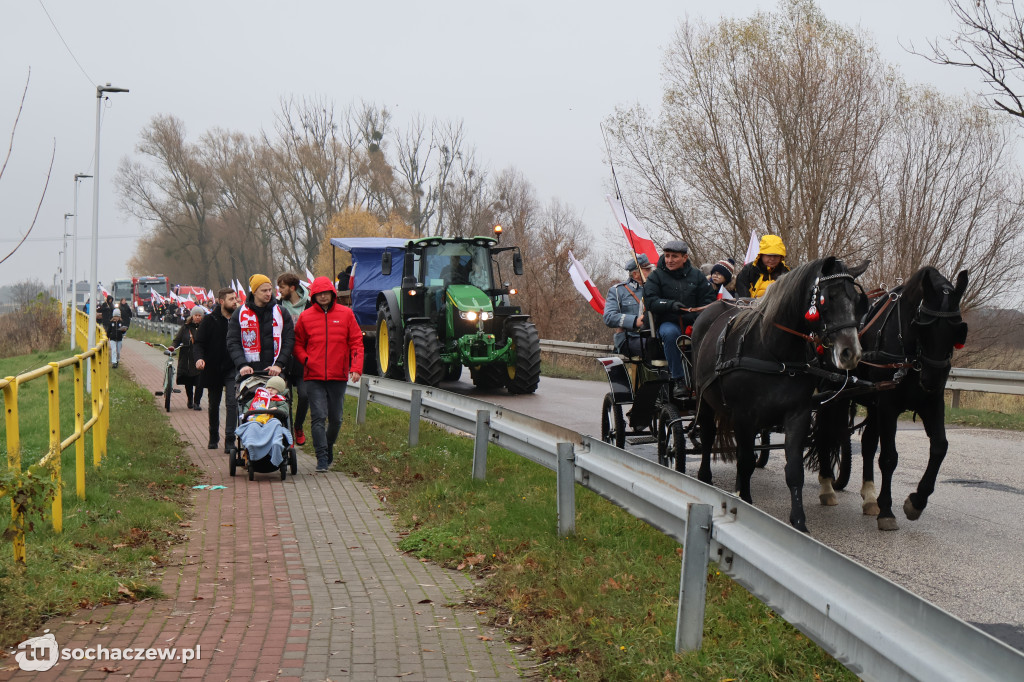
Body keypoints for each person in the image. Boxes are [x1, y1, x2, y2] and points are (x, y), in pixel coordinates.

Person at [293, 277, 363, 473]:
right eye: (319, 294)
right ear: (313, 296)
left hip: (337, 375)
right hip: (313, 376)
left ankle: (328, 444)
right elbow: (297, 344)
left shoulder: (346, 314)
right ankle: (321, 457)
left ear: (333, 294)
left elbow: (356, 342)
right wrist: (306, 360)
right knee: (318, 417)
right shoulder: (305, 317)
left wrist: (356, 367)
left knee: (336, 418)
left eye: (326, 293)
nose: (323, 296)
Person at [643, 240, 716, 399]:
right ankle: (678, 380)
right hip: (668, 322)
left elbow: (709, 299)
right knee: (670, 334)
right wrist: (670, 305)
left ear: (685, 257)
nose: (669, 260)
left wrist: (697, 316)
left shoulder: (697, 276)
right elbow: (650, 301)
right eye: (667, 256)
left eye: (674, 256)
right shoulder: (656, 276)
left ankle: (708, 377)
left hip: (695, 321)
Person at [194, 287, 240, 452]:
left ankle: (230, 439)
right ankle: (213, 435)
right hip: (213, 368)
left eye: (236, 299)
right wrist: (199, 358)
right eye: (231, 299)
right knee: (214, 404)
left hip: (232, 368)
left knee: (232, 403)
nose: (235, 302)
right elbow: (199, 343)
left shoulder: (238, 319)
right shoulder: (209, 320)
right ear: (221, 302)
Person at [226, 273, 295, 379]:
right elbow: (233, 342)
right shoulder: (239, 313)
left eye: (270, 290)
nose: (268, 294)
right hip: (248, 372)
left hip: (276, 371)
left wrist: (279, 364)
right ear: (254, 292)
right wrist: (242, 365)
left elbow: (288, 340)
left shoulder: (281, 312)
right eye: (264, 290)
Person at [277, 272, 312, 446]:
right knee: (285, 399)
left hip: (302, 358)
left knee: (304, 395)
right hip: (283, 359)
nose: (279, 291)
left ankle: (298, 426)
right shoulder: (277, 306)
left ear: (292, 288)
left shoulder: (309, 306)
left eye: (282, 287)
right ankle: (288, 432)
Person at [234, 375, 293, 468]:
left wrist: (277, 409)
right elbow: (247, 406)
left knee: (275, 423)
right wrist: (246, 413)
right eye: (268, 387)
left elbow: (285, 411)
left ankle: (276, 444)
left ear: (279, 391)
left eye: (273, 389)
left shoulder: (280, 400)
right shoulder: (258, 398)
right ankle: (251, 444)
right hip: (257, 421)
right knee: (252, 425)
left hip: (271, 422)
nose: (270, 390)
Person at [603, 253, 655, 357]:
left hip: (652, 336)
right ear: (635, 274)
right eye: (647, 270)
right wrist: (634, 321)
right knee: (653, 347)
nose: (651, 272)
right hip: (629, 338)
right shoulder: (617, 291)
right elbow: (609, 317)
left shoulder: (654, 289)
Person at [172, 306, 207, 410]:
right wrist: (172, 347)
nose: (197, 317)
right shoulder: (185, 327)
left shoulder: (205, 328)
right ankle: (190, 399)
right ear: (192, 316)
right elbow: (177, 339)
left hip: (200, 357)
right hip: (187, 358)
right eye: (196, 315)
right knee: (189, 381)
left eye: (199, 315)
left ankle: (197, 402)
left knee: (200, 381)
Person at [735, 235, 790, 299]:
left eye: (776, 256)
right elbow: (742, 296)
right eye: (769, 255)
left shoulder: (787, 272)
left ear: (781, 257)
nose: (772, 259)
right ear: (761, 255)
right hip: (751, 304)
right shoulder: (748, 270)